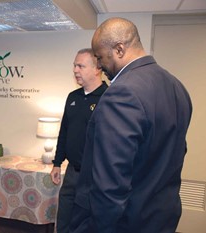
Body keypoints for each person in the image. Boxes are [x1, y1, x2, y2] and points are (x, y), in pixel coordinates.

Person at [70, 17, 193, 233]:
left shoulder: (122, 92)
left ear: (119, 49)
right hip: (161, 217)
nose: (99, 65)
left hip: (128, 222)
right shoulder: (177, 86)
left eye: (100, 57)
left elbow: (110, 184)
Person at [50, 48, 108, 233]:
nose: (75, 70)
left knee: (84, 225)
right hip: (71, 173)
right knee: (64, 219)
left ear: (97, 68)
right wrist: (57, 163)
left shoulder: (108, 98)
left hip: (93, 177)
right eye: (74, 65)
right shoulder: (72, 97)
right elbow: (64, 130)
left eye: (80, 66)